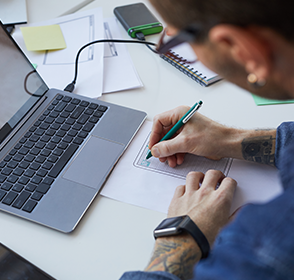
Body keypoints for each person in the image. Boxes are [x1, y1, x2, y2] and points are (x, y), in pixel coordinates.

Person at [120, 0, 294, 279]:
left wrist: (181, 235)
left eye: (179, 39)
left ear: (241, 48)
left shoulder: (265, 249)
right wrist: (230, 139)